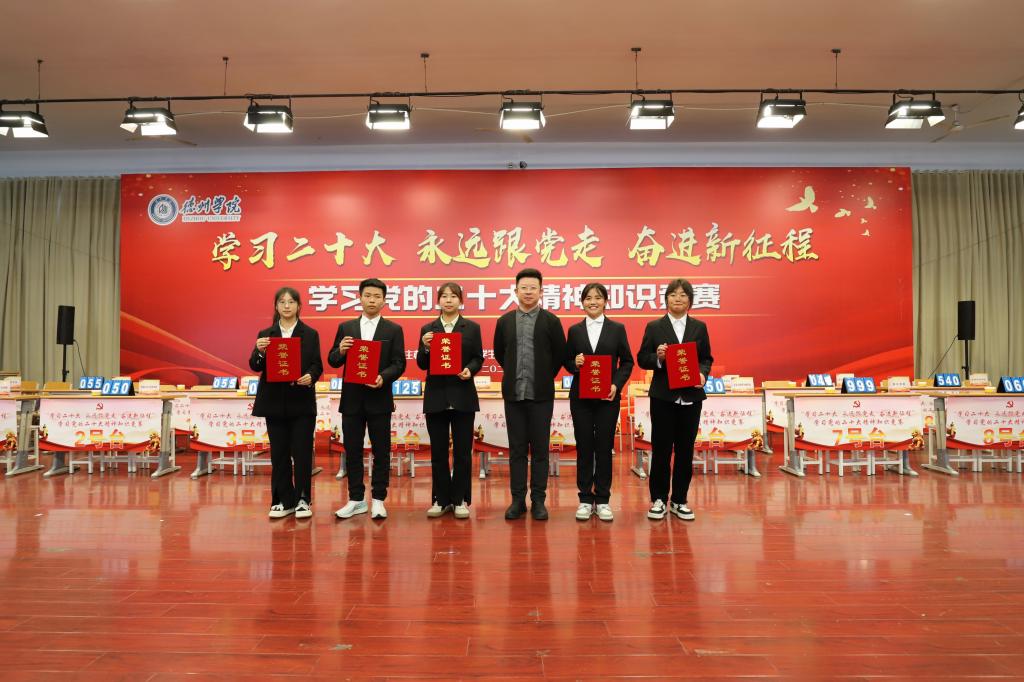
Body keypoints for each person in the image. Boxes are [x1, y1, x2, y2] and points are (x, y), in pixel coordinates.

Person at [327, 278, 406, 521]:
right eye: (368, 295)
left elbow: (399, 363)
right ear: (360, 298)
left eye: (377, 296)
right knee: (352, 450)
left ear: (384, 300)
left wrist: (384, 377)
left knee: (381, 451)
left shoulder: (393, 329)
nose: (372, 300)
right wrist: (341, 350)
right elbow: (332, 360)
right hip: (352, 400)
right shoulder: (346, 327)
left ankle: (379, 499)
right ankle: (356, 499)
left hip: (379, 398)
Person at [493, 268, 567, 521]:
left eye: (533, 288)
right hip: (514, 395)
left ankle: (538, 500)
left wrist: (544, 375)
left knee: (540, 449)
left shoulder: (551, 321)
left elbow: (559, 355)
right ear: (515, 291)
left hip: (541, 395)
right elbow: (501, 354)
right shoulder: (504, 322)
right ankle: (517, 500)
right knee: (516, 450)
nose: (528, 292)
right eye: (523, 288)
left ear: (541, 291)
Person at [637, 278, 713, 522]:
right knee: (660, 450)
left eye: (683, 294)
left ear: (690, 300)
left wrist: (702, 374)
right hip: (663, 397)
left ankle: (680, 500)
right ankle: (659, 499)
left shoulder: (699, 327)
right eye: (673, 294)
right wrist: (658, 358)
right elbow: (642, 358)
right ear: (666, 299)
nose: (678, 298)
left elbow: (706, 358)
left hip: (690, 398)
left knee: (685, 451)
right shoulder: (654, 327)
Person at [249, 287, 323, 520]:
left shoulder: (310, 334)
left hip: (301, 403)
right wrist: (260, 351)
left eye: (291, 302)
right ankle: (282, 500)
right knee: (279, 454)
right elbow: (255, 365)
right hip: (274, 402)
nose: (287, 306)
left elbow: (317, 365)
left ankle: (302, 499)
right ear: (276, 306)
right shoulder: (266, 334)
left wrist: (311, 376)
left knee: (302, 453)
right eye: (282, 302)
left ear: (299, 306)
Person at [563, 283, 634, 522]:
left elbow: (627, 362)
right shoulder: (574, 331)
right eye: (588, 298)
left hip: (607, 398)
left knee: (604, 448)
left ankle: (603, 499)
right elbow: (567, 361)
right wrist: (575, 363)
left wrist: (616, 385)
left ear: (605, 301)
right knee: (584, 447)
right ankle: (585, 498)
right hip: (581, 399)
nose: (593, 302)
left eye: (598, 297)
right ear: (582, 302)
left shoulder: (617, 329)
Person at [415, 282, 484, 519]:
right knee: (438, 452)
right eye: (444, 296)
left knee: (463, 453)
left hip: (463, 395)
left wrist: (469, 370)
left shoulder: (471, 328)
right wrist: (425, 348)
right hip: (436, 397)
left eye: (453, 296)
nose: (448, 300)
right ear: (438, 301)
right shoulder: (428, 329)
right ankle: (440, 499)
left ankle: (460, 499)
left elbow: (478, 358)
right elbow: (422, 364)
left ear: (460, 301)